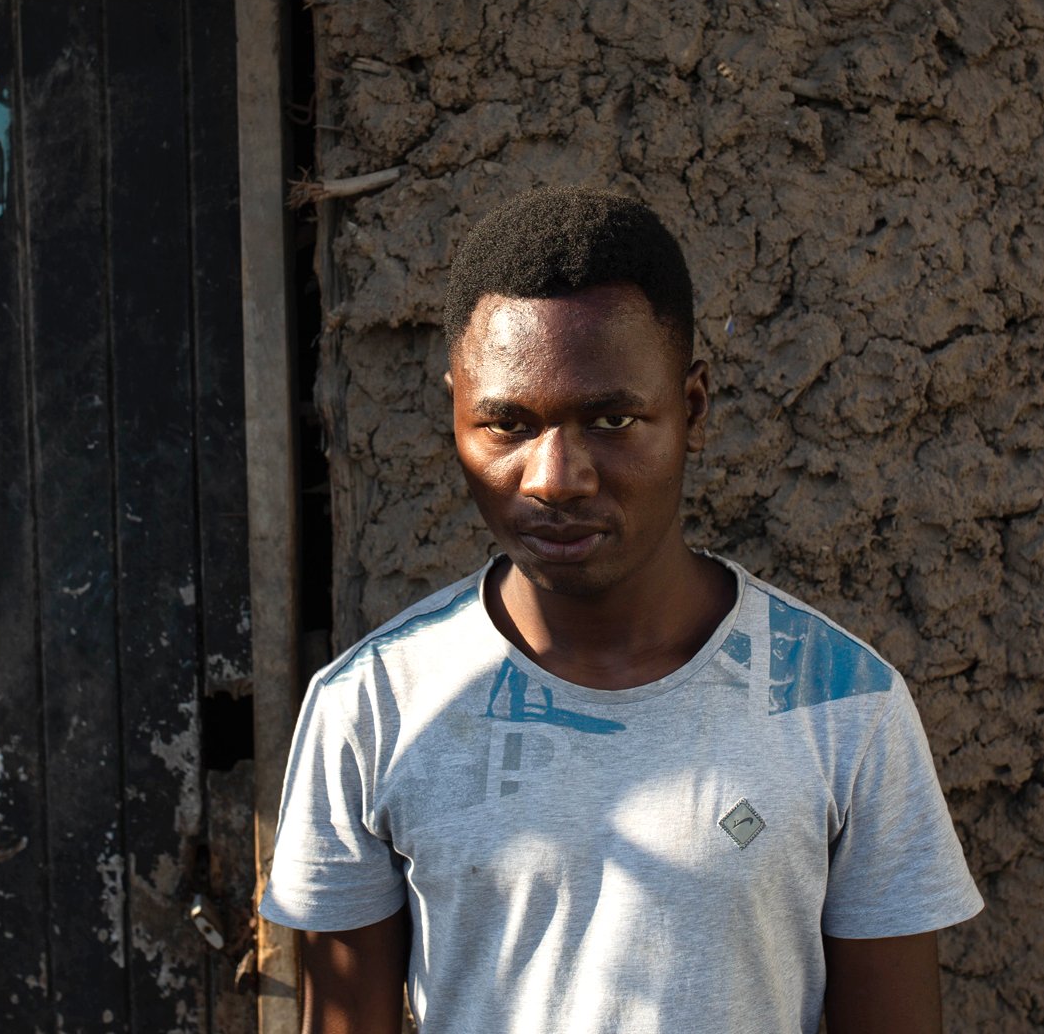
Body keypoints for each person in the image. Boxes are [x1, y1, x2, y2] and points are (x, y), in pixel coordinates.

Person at [258, 187, 983, 1033]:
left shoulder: (845, 706)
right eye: (505, 425)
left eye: (611, 418)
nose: (555, 477)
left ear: (694, 411)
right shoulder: (372, 708)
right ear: (454, 412)